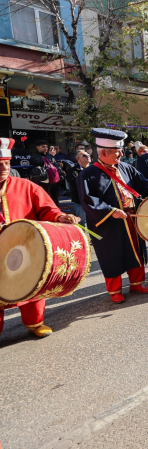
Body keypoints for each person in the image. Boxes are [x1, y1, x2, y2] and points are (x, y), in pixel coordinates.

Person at [78, 129, 148, 304]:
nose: (122, 154)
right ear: (104, 152)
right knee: (113, 255)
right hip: (110, 223)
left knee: (136, 251)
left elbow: (144, 183)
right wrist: (110, 211)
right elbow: (88, 201)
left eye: (121, 150)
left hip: (132, 218)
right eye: (117, 151)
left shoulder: (126, 167)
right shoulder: (88, 174)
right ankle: (114, 290)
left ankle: (137, 283)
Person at [0, 137, 80, 338]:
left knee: (33, 283)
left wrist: (61, 216)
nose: (4, 168)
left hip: (26, 247)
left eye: (7, 164)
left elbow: (47, 208)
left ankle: (35, 323)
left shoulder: (26, 186)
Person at [30, 139, 62, 206]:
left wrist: (61, 173)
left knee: (55, 198)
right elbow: (39, 162)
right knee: (46, 197)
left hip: (54, 179)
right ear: (37, 147)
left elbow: (55, 165)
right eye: (43, 147)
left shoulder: (49, 155)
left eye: (46, 147)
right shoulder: (35, 156)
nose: (45, 148)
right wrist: (50, 156)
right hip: (44, 180)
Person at [67, 149, 91, 225]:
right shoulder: (72, 171)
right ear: (78, 159)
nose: (87, 157)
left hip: (94, 200)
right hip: (80, 200)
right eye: (84, 155)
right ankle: (82, 236)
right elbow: (75, 186)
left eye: (88, 155)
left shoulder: (94, 169)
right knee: (82, 221)